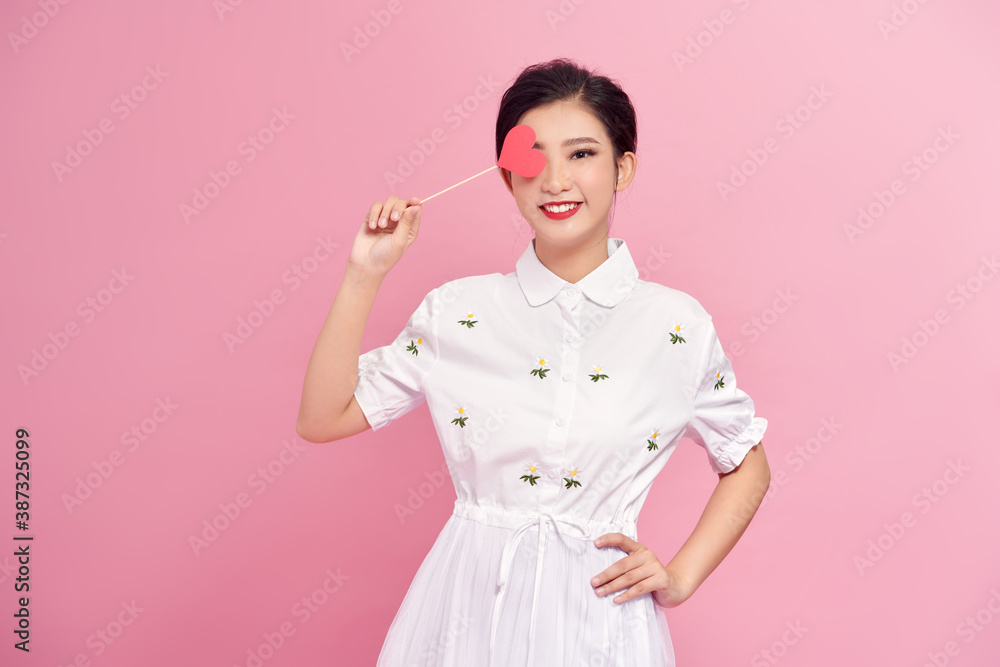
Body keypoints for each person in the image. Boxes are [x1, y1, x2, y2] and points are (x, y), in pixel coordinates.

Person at [296, 57, 771, 666]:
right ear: (505, 176)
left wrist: (679, 578)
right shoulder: (458, 311)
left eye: (581, 154)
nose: (554, 180)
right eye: (532, 157)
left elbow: (748, 462)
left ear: (623, 167)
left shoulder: (676, 327)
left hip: (600, 623)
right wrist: (365, 275)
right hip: (463, 615)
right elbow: (322, 417)